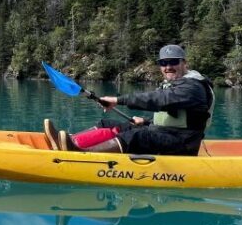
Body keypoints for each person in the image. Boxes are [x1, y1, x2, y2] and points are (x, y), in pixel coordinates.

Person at [44, 44, 214, 155]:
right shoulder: (176, 84)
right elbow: (172, 116)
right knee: (108, 124)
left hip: (183, 143)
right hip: (167, 133)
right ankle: (70, 143)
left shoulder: (193, 87)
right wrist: (146, 121)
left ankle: (83, 154)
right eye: (164, 63)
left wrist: (118, 100)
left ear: (185, 63)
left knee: (137, 136)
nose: (168, 67)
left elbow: (159, 99)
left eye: (173, 62)